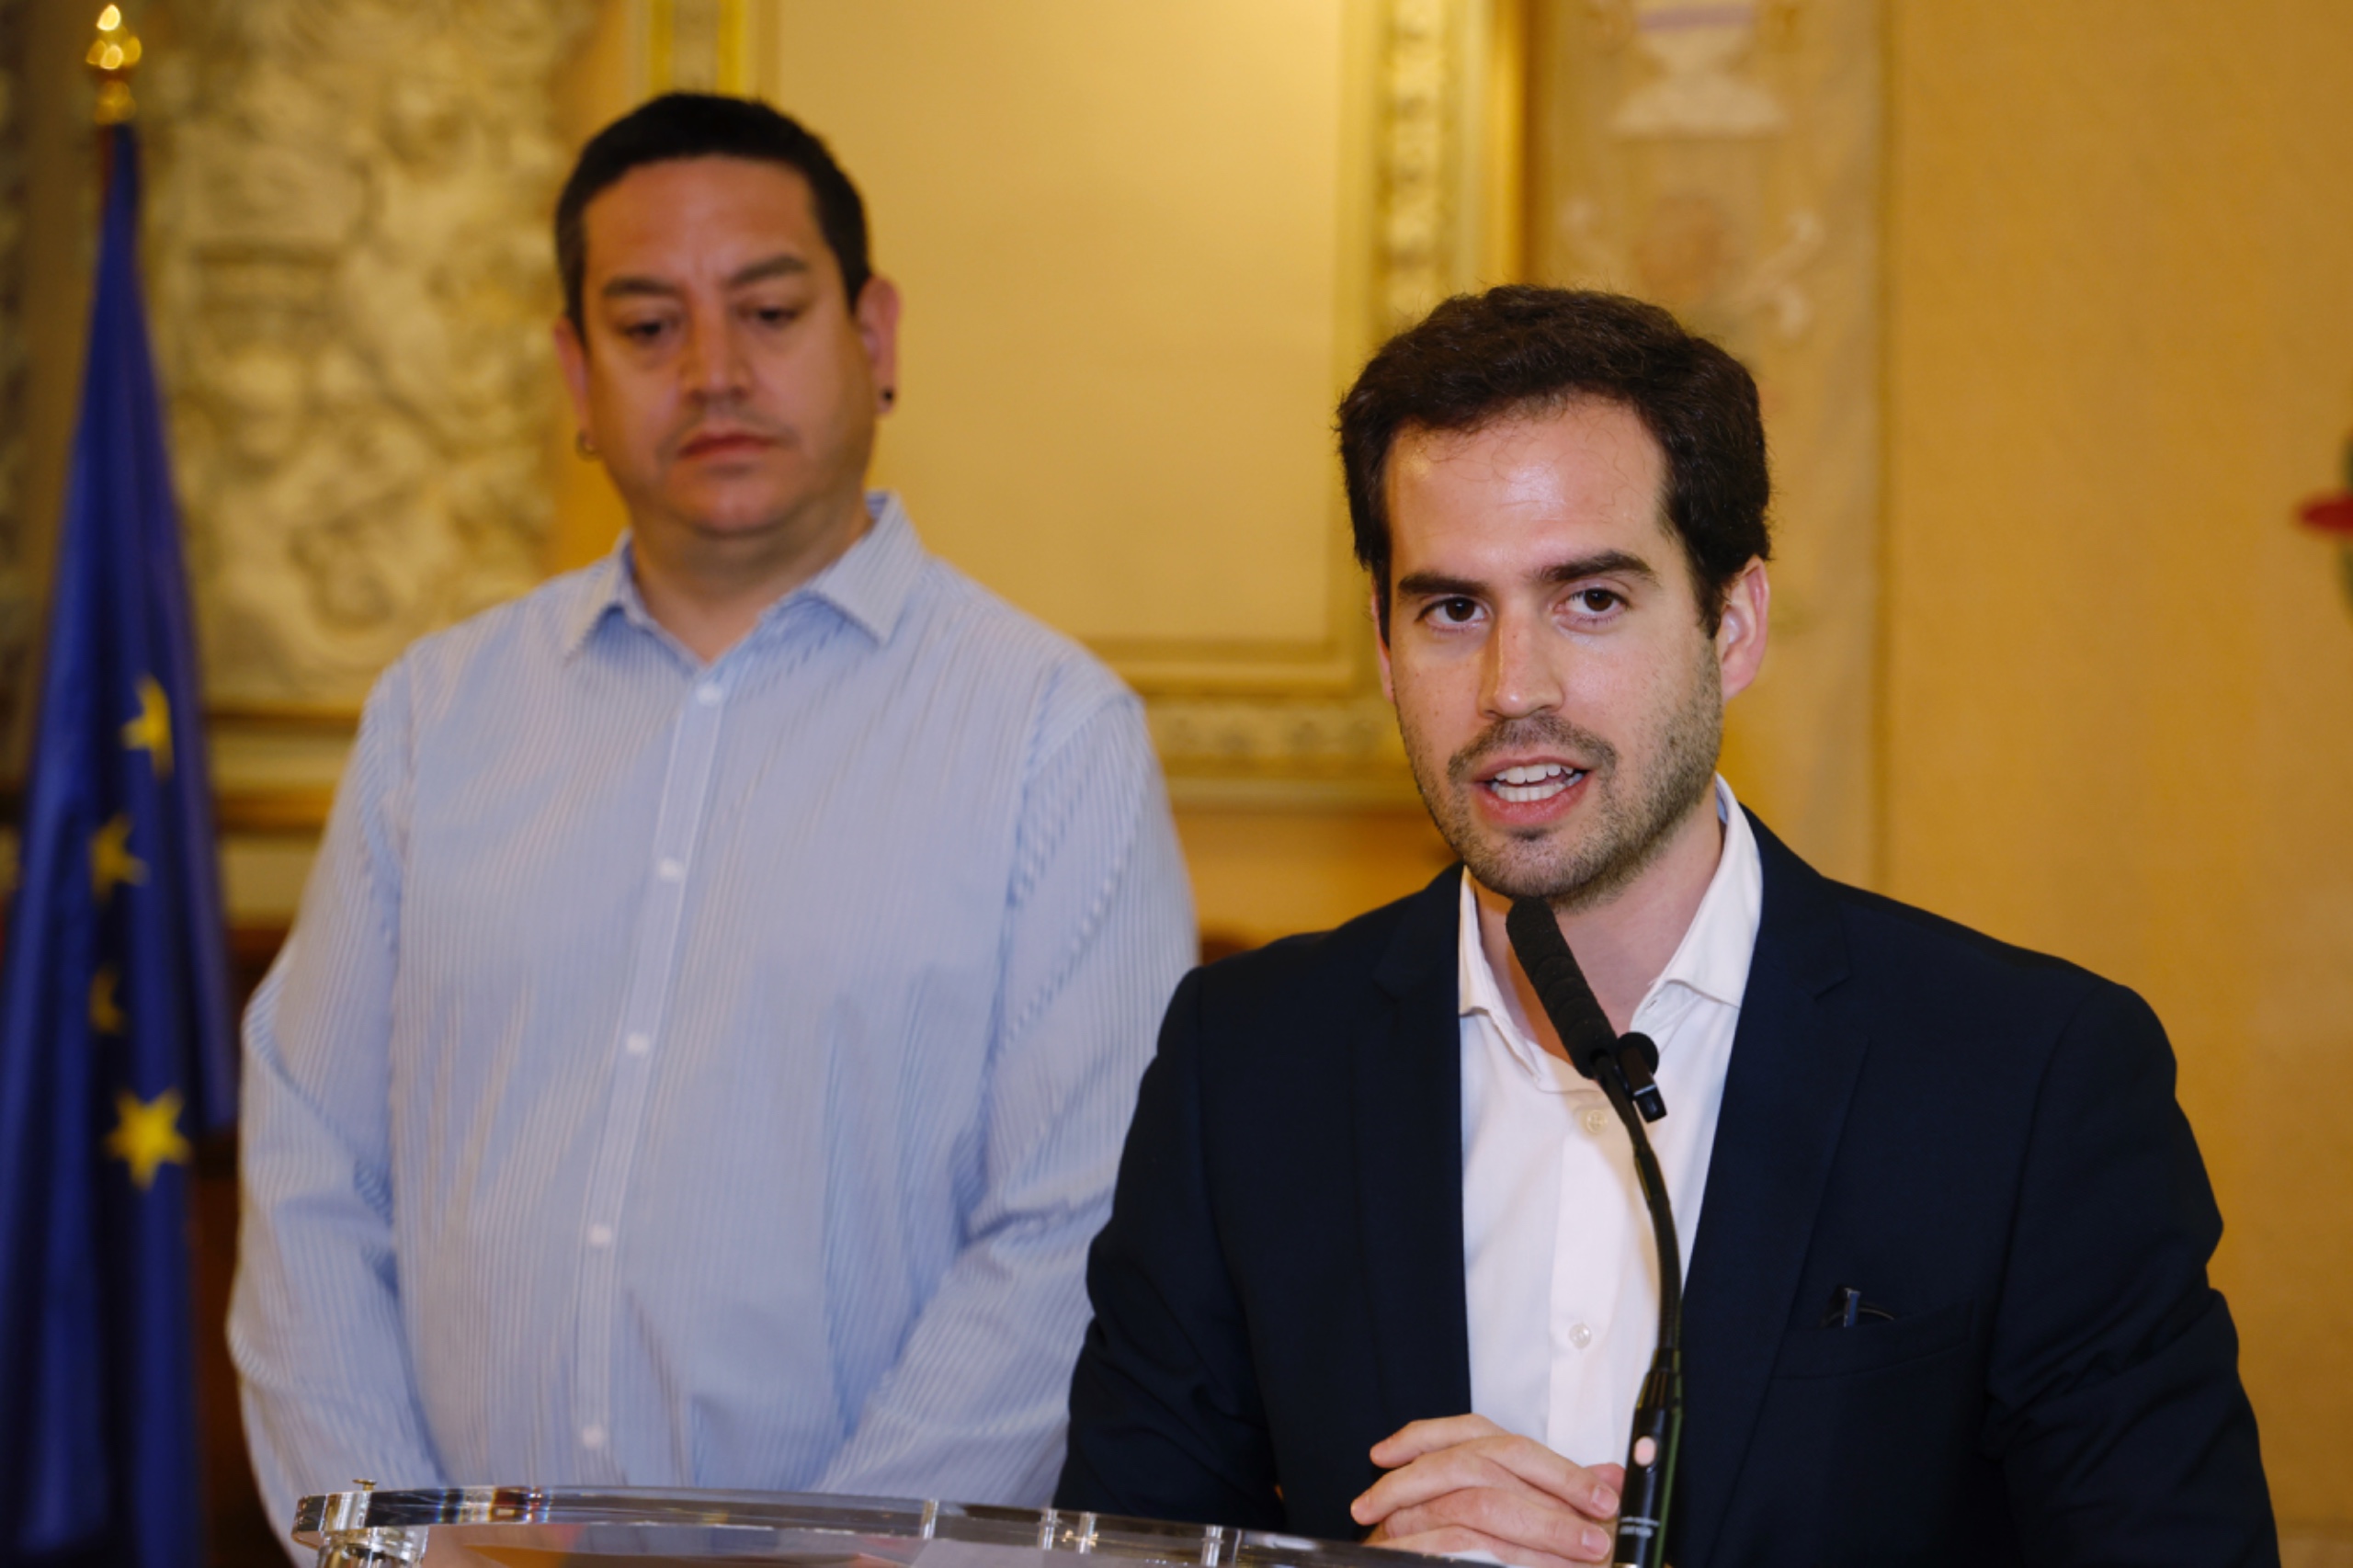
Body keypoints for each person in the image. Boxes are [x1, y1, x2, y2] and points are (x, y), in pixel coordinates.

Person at [1056, 287, 2276, 1566]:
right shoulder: (1246, 1062)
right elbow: (1127, 1543)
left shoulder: (2028, 1078)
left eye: (1589, 599)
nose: (1512, 689)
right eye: (1452, 609)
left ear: (1731, 625)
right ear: (1383, 642)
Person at [231, 93, 1194, 1533]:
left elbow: (1076, 1223)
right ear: (575, 372)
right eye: (647, 325)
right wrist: (395, 1547)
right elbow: (312, 1169)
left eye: (769, 311)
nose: (713, 372)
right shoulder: (438, 715)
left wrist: (830, 1559)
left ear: (874, 336)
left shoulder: (1049, 735)